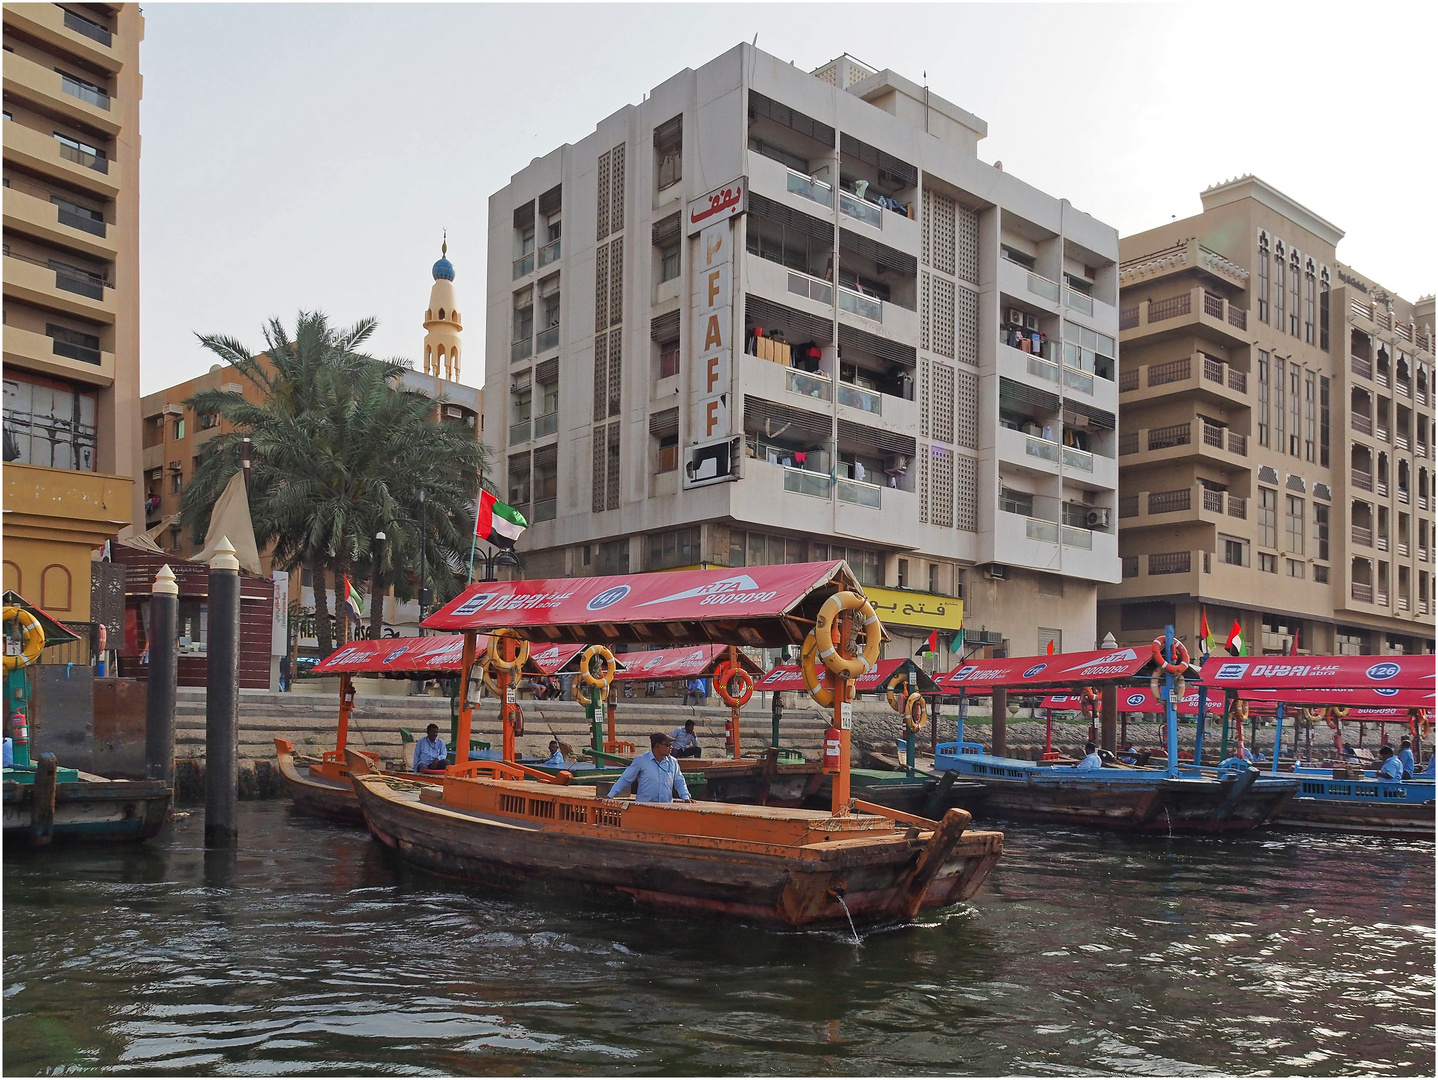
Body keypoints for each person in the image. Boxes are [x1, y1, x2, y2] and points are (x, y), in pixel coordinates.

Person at [607, 732, 693, 803]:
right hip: (644, 808)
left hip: (666, 808)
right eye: (668, 745)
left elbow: (679, 781)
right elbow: (625, 779)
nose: (671, 747)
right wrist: (610, 795)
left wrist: (685, 797)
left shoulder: (673, 762)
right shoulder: (641, 760)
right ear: (657, 746)